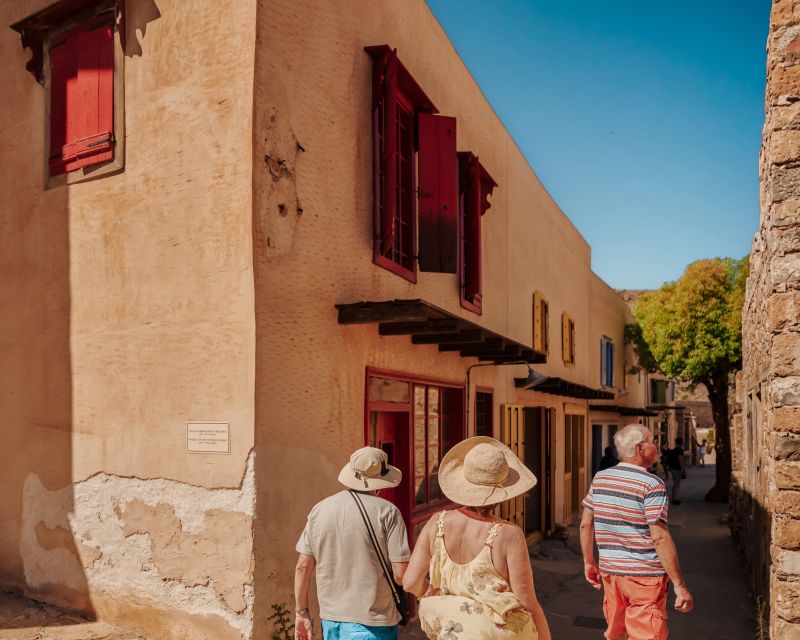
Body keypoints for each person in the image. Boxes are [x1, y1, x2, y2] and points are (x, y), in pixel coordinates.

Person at [403, 436, 551, 640]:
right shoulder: (508, 534)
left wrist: (435, 593)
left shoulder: (436, 522)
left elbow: (410, 582)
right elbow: (527, 602)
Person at [580, 424, 693, 640]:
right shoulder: (652, 485)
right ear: (640, 448)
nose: (657, 445)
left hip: (611, 574)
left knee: (617, 635)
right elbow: (659, 536)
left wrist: (588, 561)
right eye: (653, 441)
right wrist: (680, 585)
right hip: (644, 577)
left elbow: (586, 524)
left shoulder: (600, 478)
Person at [294, 447, 410, 640]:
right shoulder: (388, 512)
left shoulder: (320, 510)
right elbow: (400, 575)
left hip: (331, 620)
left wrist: (301, 613)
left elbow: (302, 567)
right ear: (380, 483)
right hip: (374, 621)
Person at [665, 437, 686, 505]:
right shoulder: (680, 450)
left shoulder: (673, 450)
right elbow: (681, 460)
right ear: (682, 442)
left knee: (676, 483)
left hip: (672, 468)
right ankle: (674, 499)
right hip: (677, 469)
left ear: (676, 443)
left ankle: (674, 498)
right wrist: (683, 469)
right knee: (676, 484)